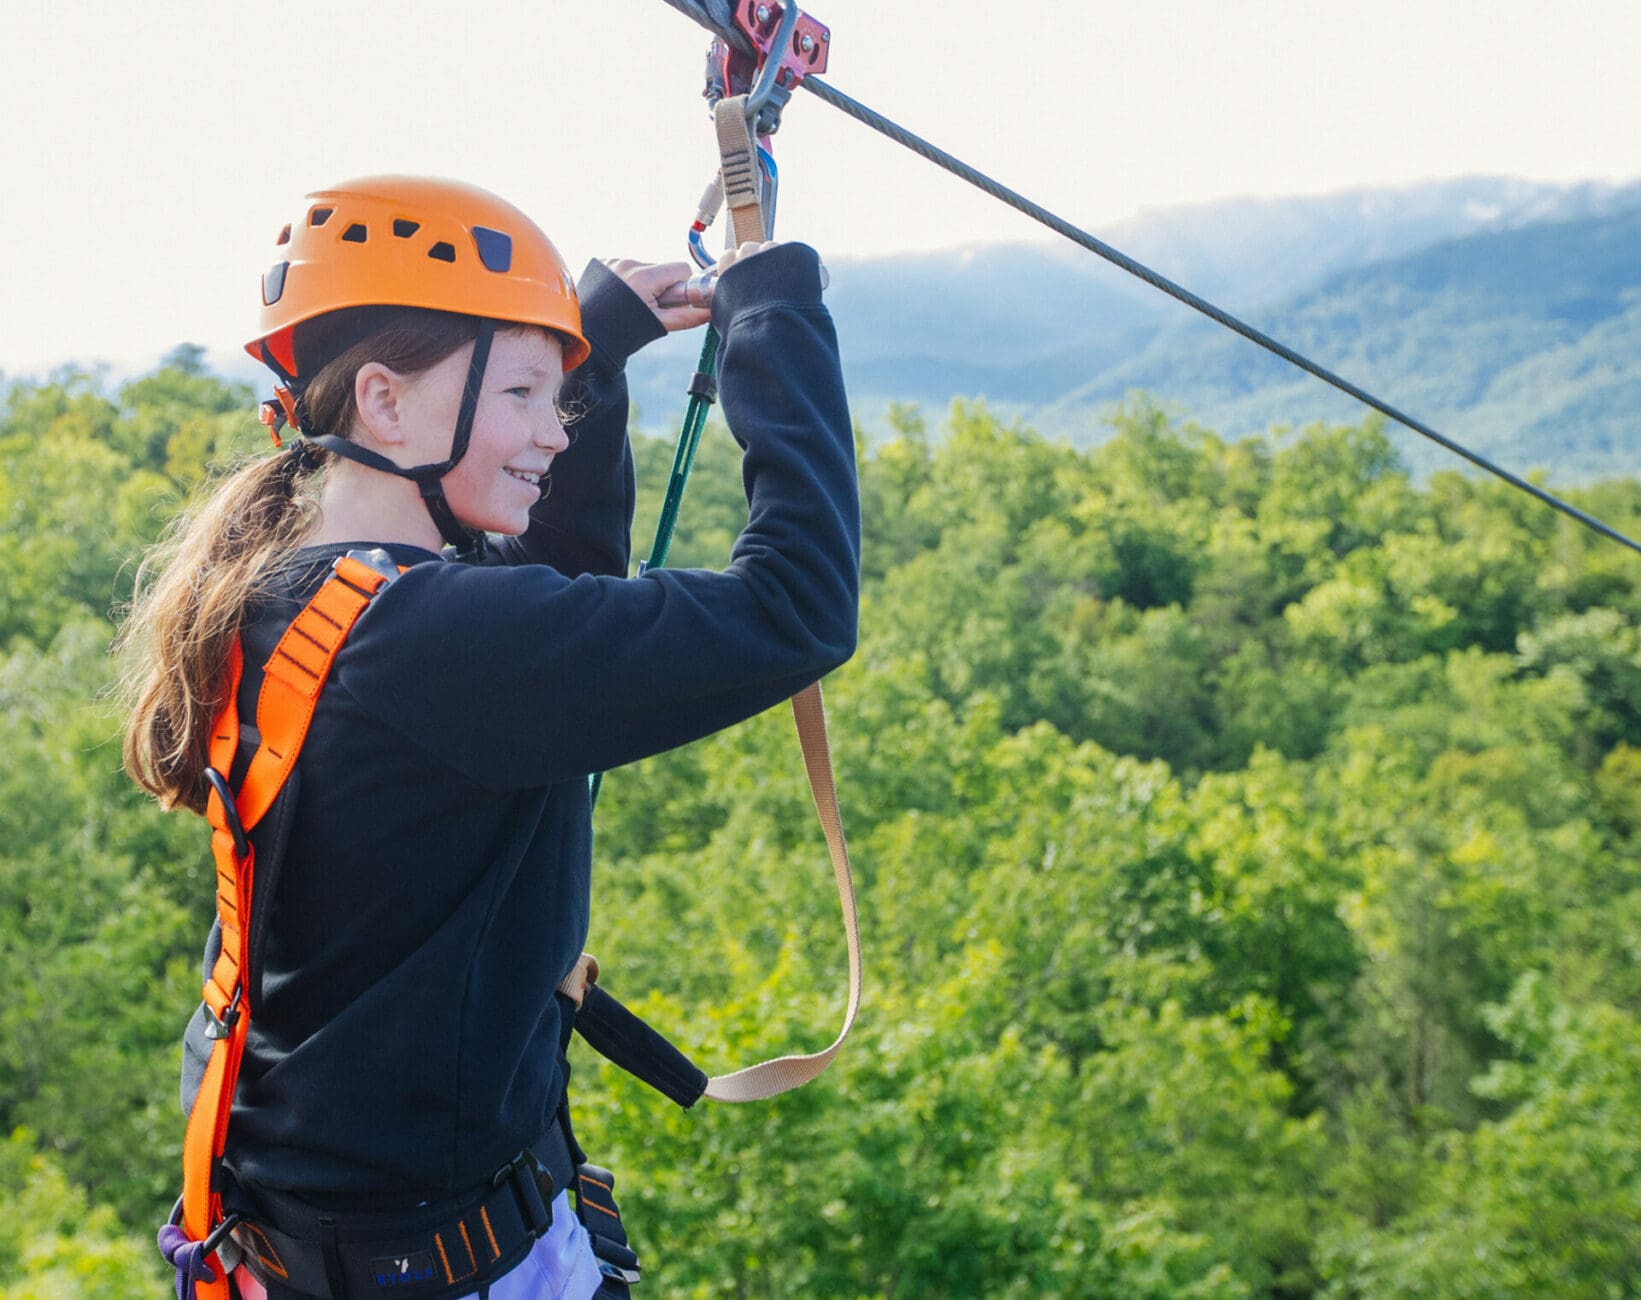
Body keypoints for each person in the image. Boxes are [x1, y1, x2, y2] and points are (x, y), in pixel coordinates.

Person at [119, 174, 858, 1300]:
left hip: (316, 1234)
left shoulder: (300, 596)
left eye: (552, 398)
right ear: (386, 404)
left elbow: (552, 598)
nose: (549, 433)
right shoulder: (434, 639)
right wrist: (777, 308)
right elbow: (797, 603)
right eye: (522, 393)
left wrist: (589, 349)